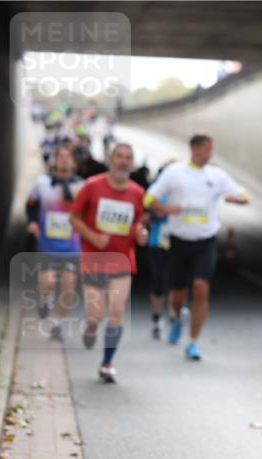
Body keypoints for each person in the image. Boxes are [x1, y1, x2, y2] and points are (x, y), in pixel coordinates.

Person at [143, 134, 250, 361]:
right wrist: (164, 208)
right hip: (179, 240)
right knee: (178, 295)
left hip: (205, 240)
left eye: (211, 149)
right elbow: (147, 198)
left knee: (201, 288)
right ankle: (178, 314)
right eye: (204, 149)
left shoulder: (216, 175)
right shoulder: (174, 172)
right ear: (193, 148)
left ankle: (192, 342)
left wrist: (237, 199)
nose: (208, 153)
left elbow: (244, 195)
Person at [68, 143, 148, 383]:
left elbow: (139, 222)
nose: (123, 161)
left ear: (132, 163)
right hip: (93, 258)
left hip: (123, 260)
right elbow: (74, 218)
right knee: (95, 316)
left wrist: (141, 233)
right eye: (119, 156)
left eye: (128, 157)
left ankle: (107, 363)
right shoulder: (92, 186)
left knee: (115, 311)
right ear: (110, 159)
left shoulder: (137, 192)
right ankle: (90, 329)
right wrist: (93, 237)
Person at [25, 144, 84, 341]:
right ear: (55, 161)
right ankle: (44, 300)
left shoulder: (82, 186)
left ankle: (57, 323)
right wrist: (32, 221)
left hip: (71, 246)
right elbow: (30, 205)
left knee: (68, 289)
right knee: (48, 281)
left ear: (75, 162)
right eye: (61, 157)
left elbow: (89, 213)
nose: (65, 160)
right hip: (47, 244)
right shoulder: (42, 183)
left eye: (69, 157)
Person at [144, 161, 176, 339]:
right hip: (157, 242)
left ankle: (173, 317)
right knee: (159, 283)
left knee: (176, 282)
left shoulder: (184, 192)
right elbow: (149, 211)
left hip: (178, 242)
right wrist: (158, 213)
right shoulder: (155, 191)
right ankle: (156, 318)